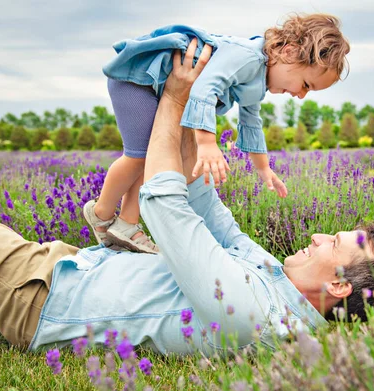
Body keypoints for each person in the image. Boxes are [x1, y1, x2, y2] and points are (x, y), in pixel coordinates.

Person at [0, 41, 374, 354]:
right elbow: (210, 214)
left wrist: (175, 99)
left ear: (340, 286)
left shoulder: (255, 315)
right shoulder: (275, 281)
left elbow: (166, 207)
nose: (318, 235)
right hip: (69, 267)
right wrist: (199, 121)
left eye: (332, 242)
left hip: (39, 296)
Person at [84, 13, 350, 253]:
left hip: (152, 85)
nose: (301, 96)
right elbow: (204, 90)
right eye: (305, 84)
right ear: (289, 52)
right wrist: (207, 143)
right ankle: (101, 213)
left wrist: (264, 169)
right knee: (140, 156)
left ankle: (126, 224)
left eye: (309, 91)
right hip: (137, 78)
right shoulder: (248, 56)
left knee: (149, 157)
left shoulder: (257, 81)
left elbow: (251, 123)